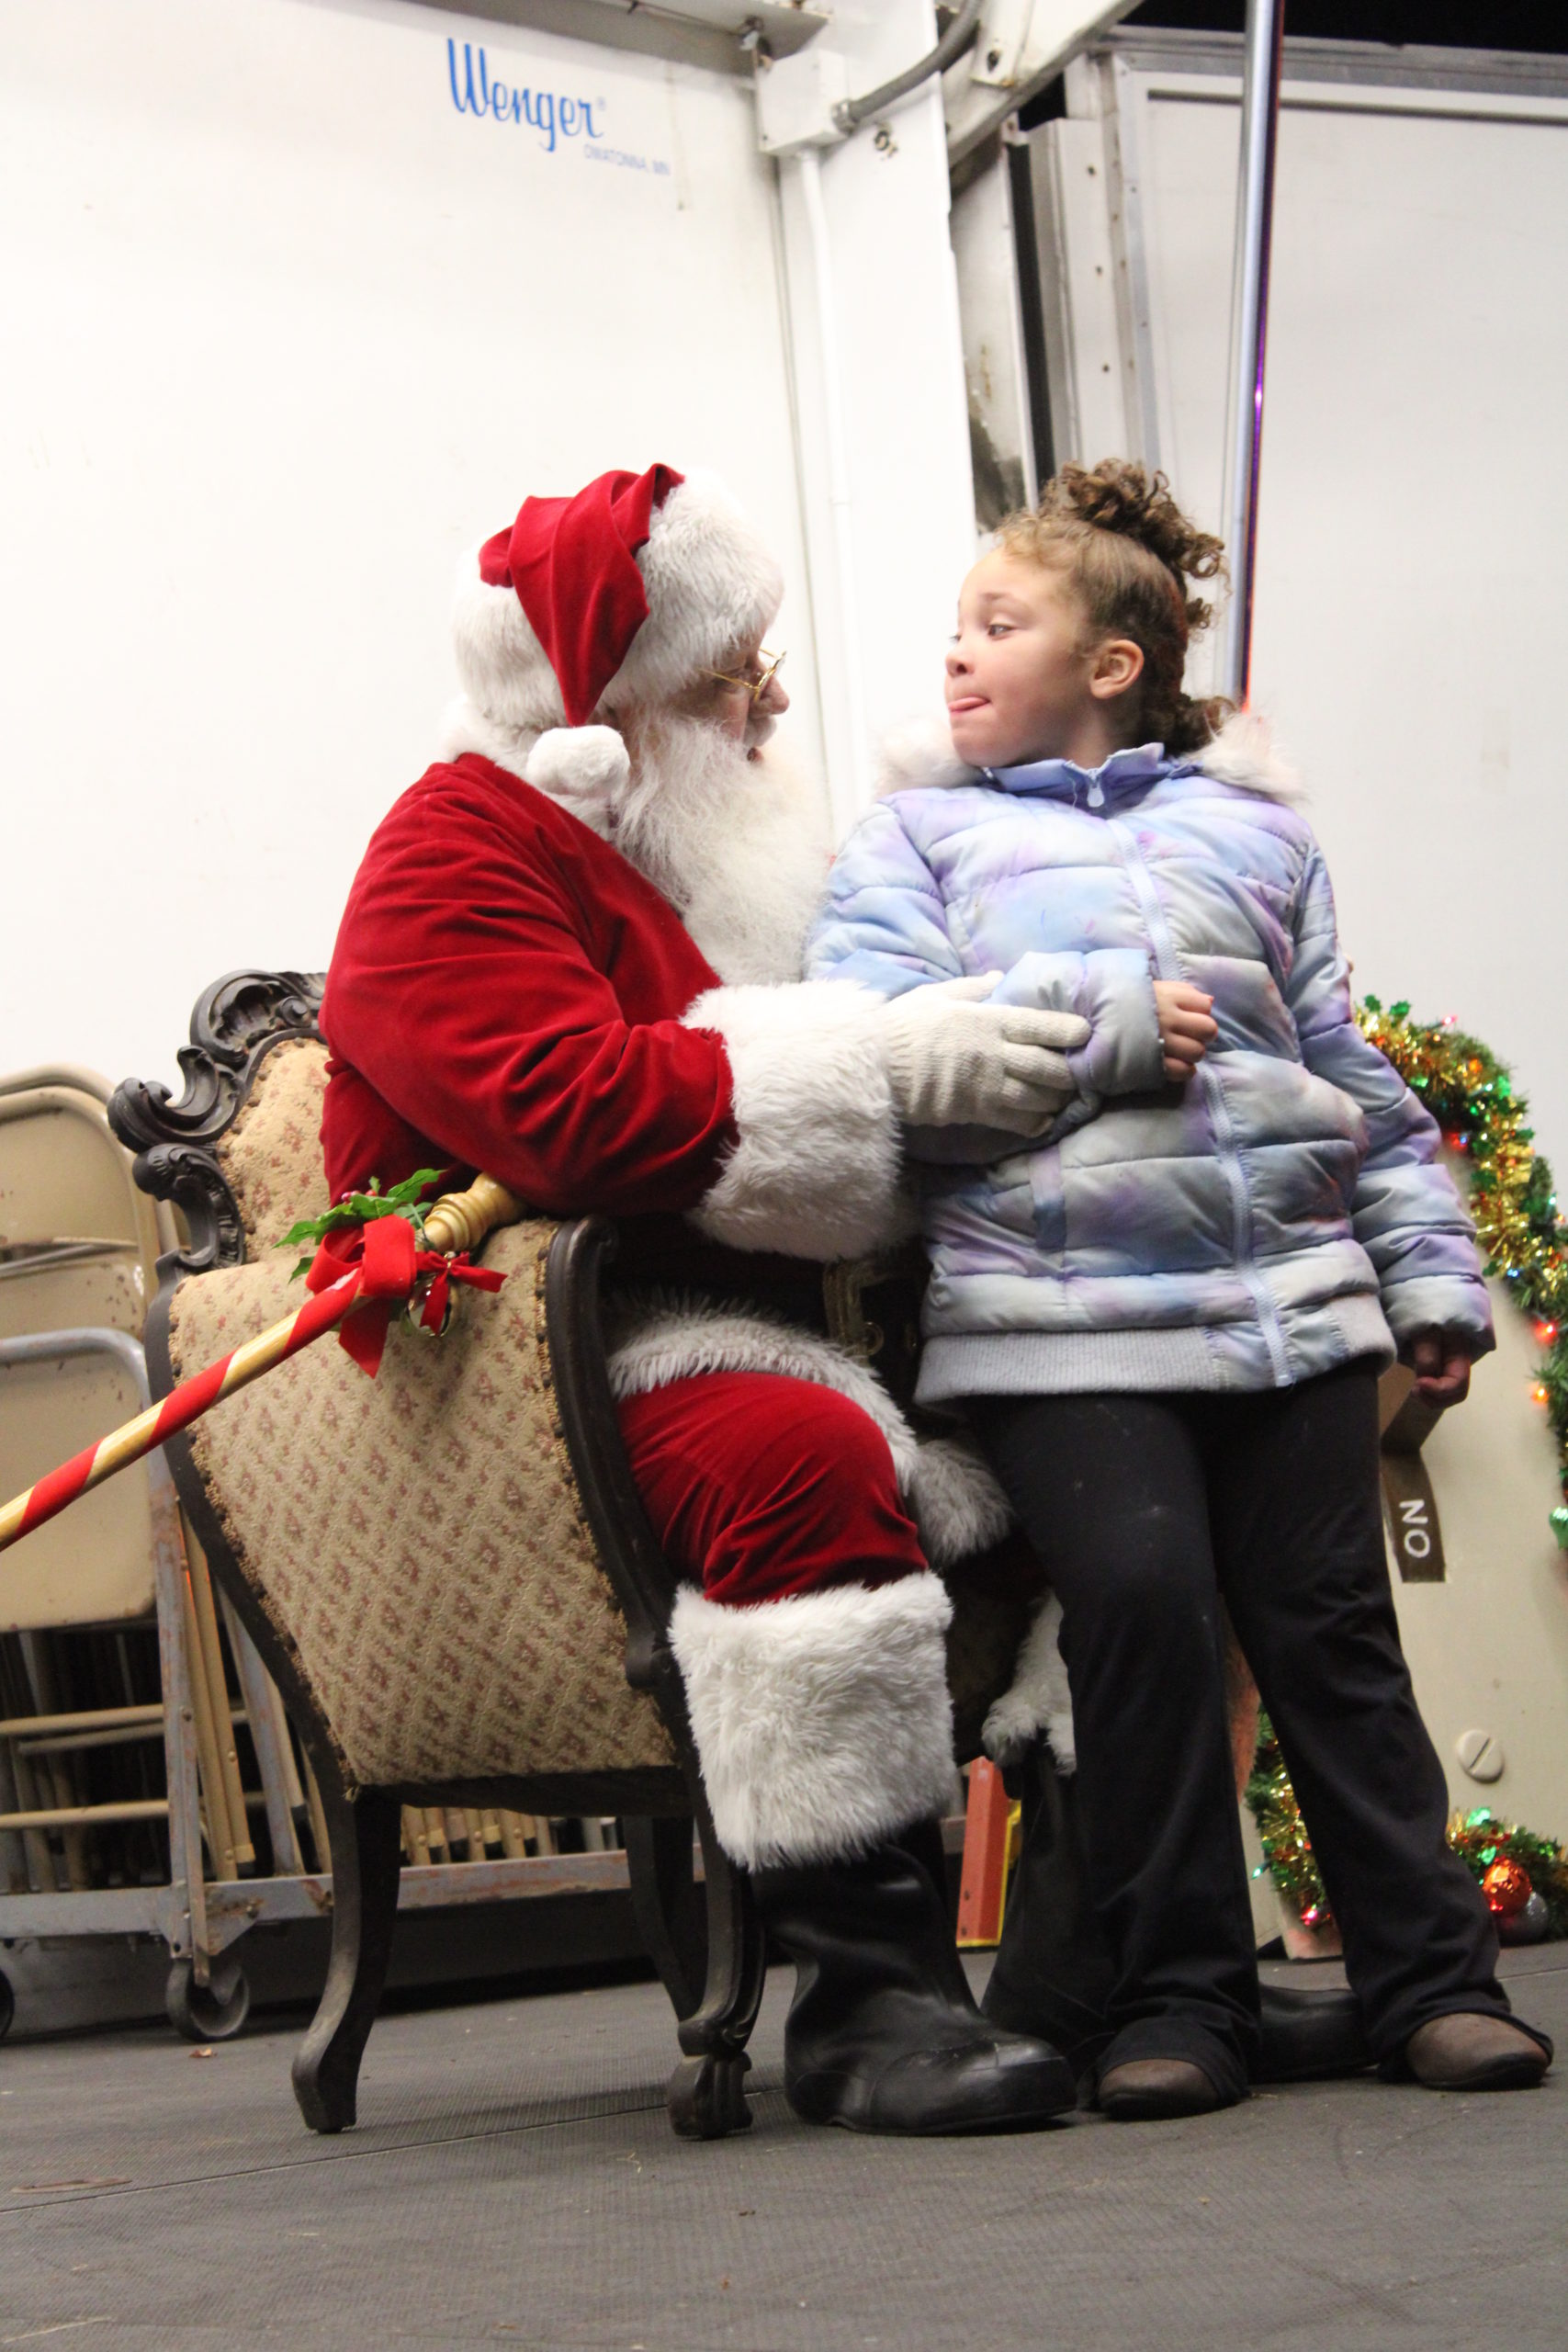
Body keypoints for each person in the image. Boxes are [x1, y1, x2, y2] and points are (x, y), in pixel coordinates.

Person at [318, 460, 1093, 2135]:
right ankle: (870, 1998)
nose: (776, 698)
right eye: (737, 671)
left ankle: (1103, 1953)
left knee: (1112, 1430)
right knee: (785, 1454)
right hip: (569, 1353)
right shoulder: (452, 850)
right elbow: (572, 1111)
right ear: (622, 705)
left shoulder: (720, 848)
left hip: (805, 1311)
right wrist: (880, 1062)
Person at [806, 458, 1553, 2119]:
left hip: (1284, 1295)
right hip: (1052, 1325)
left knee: (1331, 1633)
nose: (955, 655)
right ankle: (1182, 2002)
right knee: (1142, 1615)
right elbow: (878, 1053)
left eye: (998, 624)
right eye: (951, 627)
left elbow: (1341, 1061)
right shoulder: (913, 838)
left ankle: (1432, 1981)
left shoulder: (1260, 832)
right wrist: (1111, 1012)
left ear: (1111, 663)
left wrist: (1426, 1264)